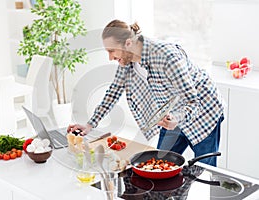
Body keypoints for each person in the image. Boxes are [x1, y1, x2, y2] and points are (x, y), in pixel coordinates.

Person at [67, 19, 224, 166]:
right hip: (172, 115)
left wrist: (177, 118)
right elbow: (113, 93)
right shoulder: (127, 61)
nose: (110, 58)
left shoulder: (167, 56)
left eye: (112, 51)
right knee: (160, 164)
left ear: (128, 43)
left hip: (204, 113)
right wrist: (89, 125)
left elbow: (192, 101)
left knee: (203, 172)